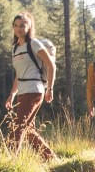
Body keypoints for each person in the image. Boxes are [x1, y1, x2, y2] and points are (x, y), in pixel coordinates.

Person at [6, 12, 57, 161]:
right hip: (22, 92)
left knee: (18, 126)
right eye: (16, 26)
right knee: (28, 130)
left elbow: (51, 65)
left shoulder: (34, 44)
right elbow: (18, 75)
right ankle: (51, 160)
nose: (19, 29)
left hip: (34, 90)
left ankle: (11, 161)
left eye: (22, 25)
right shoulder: (15, 48)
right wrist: (12, 94)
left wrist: (50, 88)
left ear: (29, 27)